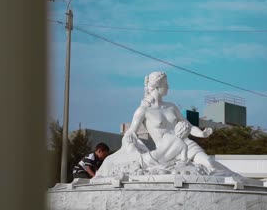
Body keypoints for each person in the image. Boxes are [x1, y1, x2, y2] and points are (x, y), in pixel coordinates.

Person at [97, 71, 232, 176]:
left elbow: (188, 126)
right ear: (156, 86)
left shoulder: (171, 106)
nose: (168, 87)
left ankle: (236, 180)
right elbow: (131, 132)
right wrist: (130, 144)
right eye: (165, 84)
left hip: (186, 143)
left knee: (209, 163)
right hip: (166, 151)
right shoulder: (143, 110)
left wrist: (201, 133)